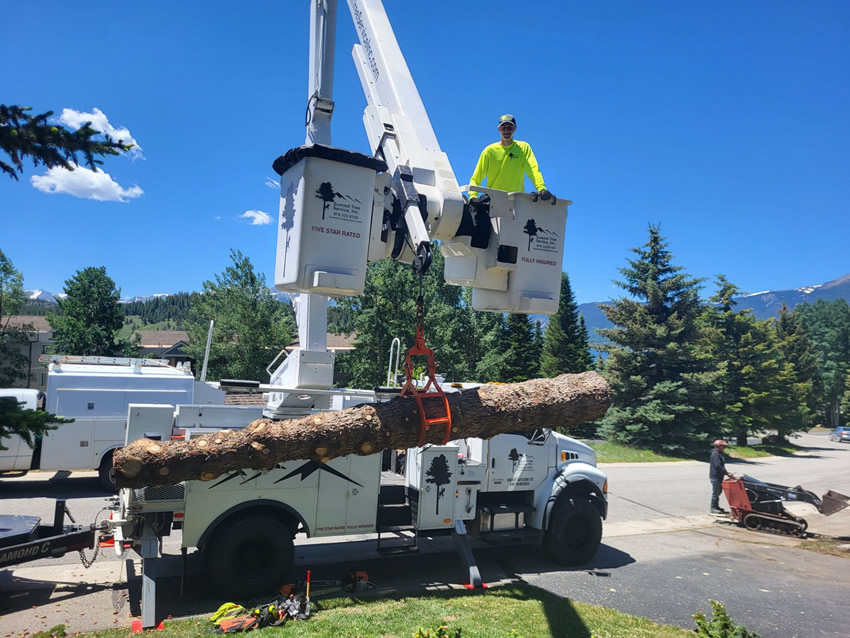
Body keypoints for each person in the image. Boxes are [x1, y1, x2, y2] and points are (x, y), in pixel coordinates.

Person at [468, 113, 553, 202]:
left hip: (516, 201)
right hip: (494, 201)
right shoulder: (489, 151)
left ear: (515, 128)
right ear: (498, 129)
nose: (506, 131)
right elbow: (476, 178)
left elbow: (533, 169)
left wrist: (541, 188)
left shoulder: (523, 148)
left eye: (510, 128)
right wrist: (473, 197)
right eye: (503, 128)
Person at [709, 439, 734, 514]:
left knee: (719, 492)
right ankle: (713, 508)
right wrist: (726, 473)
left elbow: (721, 466)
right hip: (715, 476)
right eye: (723, 446)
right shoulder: (715, 454)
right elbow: (718, 466)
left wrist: (726, 472)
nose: (724, 448)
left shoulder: (719, 453)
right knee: (716, 492)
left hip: (719, 476)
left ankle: (717, 507)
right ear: (718, 446)